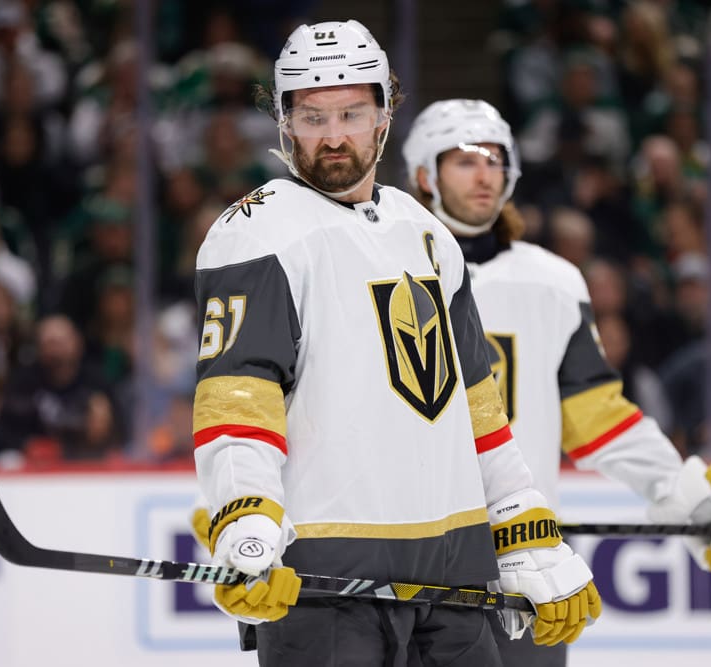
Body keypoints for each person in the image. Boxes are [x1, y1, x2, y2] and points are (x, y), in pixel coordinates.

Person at [191, 20, 601, 666]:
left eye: (352, 113)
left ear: (385, 115)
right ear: (283, 120)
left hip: (456, 573)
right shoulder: (256, 231)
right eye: (313, 116)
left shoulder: (425, 232)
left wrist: (525, 531)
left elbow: (478, 404)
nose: (333, 136)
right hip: (330, 577)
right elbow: (239, 394)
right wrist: (245, 515)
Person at [402, 98, 711, 666]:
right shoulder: (380, 270)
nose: (484, 175)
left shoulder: (552, 282)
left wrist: (682, 491)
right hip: (408, 560)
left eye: (495, 159)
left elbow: (596, 414)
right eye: (464, 161)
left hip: (526, 559)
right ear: (424, 174)